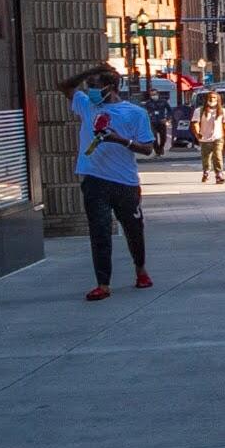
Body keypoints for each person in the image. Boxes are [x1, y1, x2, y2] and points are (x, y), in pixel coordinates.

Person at [56, 64, 153, 300]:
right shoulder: (87, 106)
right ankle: (103, 283)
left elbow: (148, 148)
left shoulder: (134, 113)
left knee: (134, 230)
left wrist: (121, 140)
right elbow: (64, 86)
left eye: (95, 86)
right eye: (89, 86)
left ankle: (140, 269)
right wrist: (90, 71)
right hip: (94, 180)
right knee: (99, 231)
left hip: (124, 182)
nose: (90, 91)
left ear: (110, 87)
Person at [192, 90, 225, 184]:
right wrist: (197, 133)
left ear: (218, 99)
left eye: (214, 98)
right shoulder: (199, 111)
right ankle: (206, 172)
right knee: (206, 157)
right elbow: (195, 123)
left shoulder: (222, 111)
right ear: (206, 99)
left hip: (218, 138)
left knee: (218, 156)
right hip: (204, 138)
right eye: (210, 97)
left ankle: (219, 175)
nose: (212, 99)